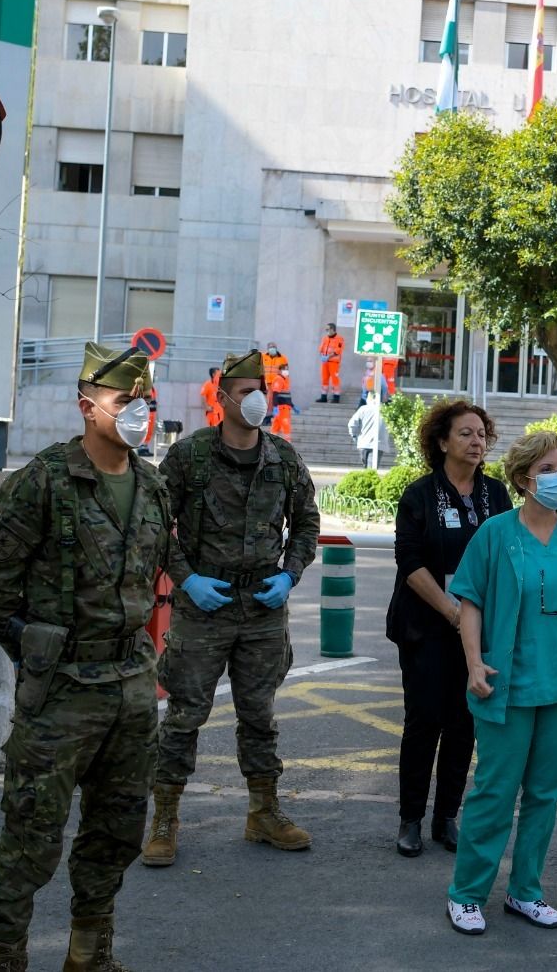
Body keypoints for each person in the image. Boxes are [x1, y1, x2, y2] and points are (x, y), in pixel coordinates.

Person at [0, 342, 171, 972]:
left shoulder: (153, 487)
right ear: (88, 406)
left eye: (146, 401)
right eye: (125, 401)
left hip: (132, 690)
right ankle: (7, 958)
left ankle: (89, 954)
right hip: (61, 696)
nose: (139, 412)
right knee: (30, 838)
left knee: (116, 834)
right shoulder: (43, 482)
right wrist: (33, 647)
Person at [143, 349, 321, 868]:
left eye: (260, 391)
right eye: (245, 393)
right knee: (183, 715)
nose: (257, 401)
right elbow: (155, 523)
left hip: (263, 608)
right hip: (204, 606)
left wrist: (290, 574)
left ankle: (264, 812)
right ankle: (165, 818)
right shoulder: (189, 456)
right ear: (221, 399)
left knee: (259, 715)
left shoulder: (283, 458)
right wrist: (186, 579)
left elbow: (307, 523)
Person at [443, 431, 557, 935]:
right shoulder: (496, 534)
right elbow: (470, 601)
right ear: (524, 479)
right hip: (509, 684)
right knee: (495, 792)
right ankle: (468, 893)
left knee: (546, 793)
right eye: (548, 469)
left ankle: (526, 891)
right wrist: (474, 663)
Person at [385, 399, 510, 858]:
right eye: (466, 433)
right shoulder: (420, 494)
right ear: (442, 442)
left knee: (464, 725)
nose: (477, 441)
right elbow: (410, 562)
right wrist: (454, 614)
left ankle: (447, 817)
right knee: (424, 722)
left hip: (477, 629)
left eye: (482, 434)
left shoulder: (495, 495)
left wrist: (476, 620)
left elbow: (505, 557)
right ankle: (410, 819)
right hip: (427, 625)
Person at [348, 396, 384, 468]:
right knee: (371, 469)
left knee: (366, 467)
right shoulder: (384, 409)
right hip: (378, 444)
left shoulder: (363, 409)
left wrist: (354, 435)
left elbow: (352, 423)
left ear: (369, 399)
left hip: (363, 443)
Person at [317, 323, 344, 403]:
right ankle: (323, 397)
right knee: (324, 379)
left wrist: (328, 356)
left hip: (334, 362)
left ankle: (336, 398)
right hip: (325, 362)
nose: (326, 331)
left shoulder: (339, 339)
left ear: (332, 329)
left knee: (335, 380)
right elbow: (321, 348)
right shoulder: (325, 338)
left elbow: (338, 350)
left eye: (327, 329)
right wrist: (322, 355)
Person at [261, 342, 288, 422]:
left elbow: (285, 372)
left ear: (276, 348)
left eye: (273, 347)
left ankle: (269, 417)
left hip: (277, 383)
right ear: (268, 348)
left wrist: (284, 384)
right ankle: (266, 416)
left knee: (273, 400)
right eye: (270, 347)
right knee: (266, 400)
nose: (272, 348)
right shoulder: (263, 357)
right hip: (266, 382)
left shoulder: (282, 358)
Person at [270, 365, 294, 441]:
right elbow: (275, 394)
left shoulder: (285, 380)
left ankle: (271, 444)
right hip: (282, 408)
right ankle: (288, 445)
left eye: (287, 369)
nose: (286, 371)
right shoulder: (279, 379)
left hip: (283, 407)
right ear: (279, 371)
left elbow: (286, 396)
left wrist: (292, 405)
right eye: (284, 369)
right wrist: (275, 406)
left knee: (275, 428)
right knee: (286, 427)